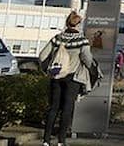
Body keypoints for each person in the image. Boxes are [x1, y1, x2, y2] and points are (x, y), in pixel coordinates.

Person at [39, 11, 97, 146]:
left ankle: (46, 140)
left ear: (67, 23)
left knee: (53, 107)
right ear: (79, 24)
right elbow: (87, 59)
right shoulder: (81, 40)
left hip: (56, 76)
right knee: (67, 108)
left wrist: (47, 69)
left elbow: (42, 56)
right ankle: (61, 141)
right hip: (72, 78)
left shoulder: (57, 38)